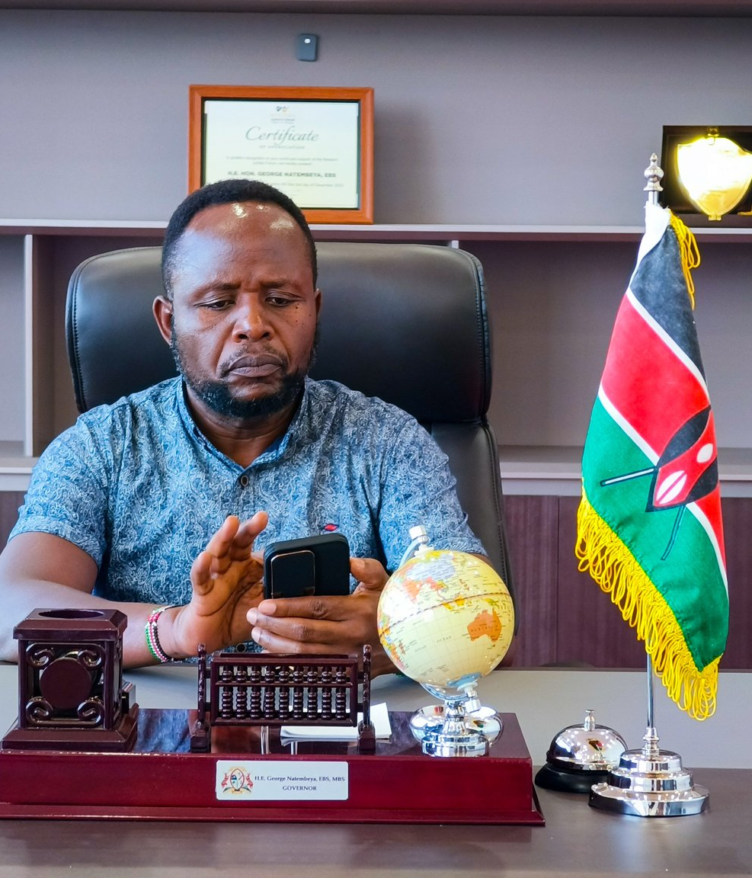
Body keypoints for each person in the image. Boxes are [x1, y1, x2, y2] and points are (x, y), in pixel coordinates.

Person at [0, 180, 486, 672]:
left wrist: (395, 635)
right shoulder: (101, 447)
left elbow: (479, 607)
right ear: (168, 322)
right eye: (217, 302)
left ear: (315, 310)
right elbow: (9, 610)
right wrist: (175, 630)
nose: (253, 325)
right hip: (157, 719)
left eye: (280, 298)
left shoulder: (388, 441)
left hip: (343, 718)